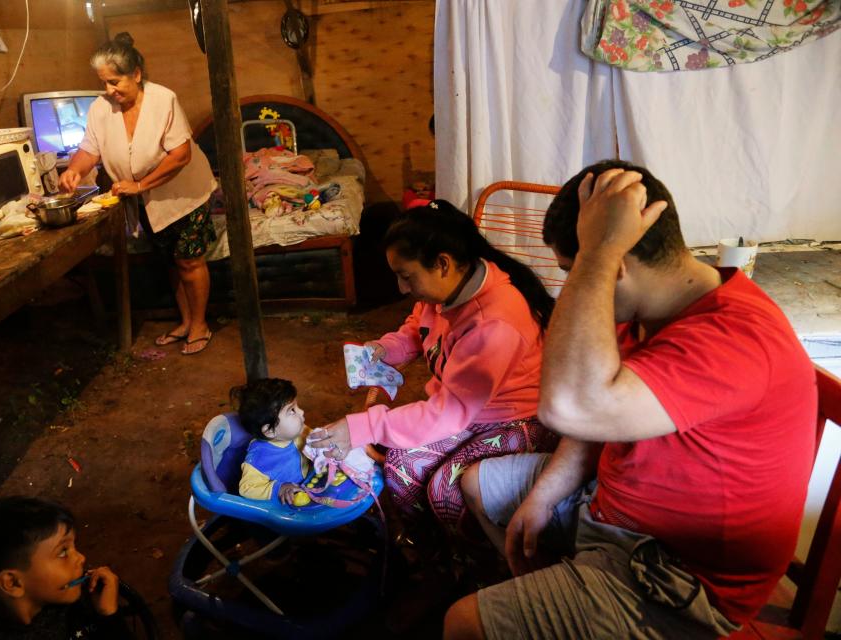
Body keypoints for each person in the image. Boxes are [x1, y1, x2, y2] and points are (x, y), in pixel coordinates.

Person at [444, 160, 817, 639]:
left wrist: (595, 256)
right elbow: (588, 426)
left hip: (678, 573)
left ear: (614, 265)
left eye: (570, 274)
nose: (567, 288)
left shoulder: (732, 338)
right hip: (613, 510)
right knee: (475, 485)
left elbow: (568, 407)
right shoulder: (647, 309)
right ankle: (557, 606)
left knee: (461, 625)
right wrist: (544, 495)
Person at [309, 200, 560, 532]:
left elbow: (447, 413)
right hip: (467, 411)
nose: (401, 288)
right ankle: (438, 546)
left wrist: (359, 427)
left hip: (515, 419)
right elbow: (418, 329)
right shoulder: (443, 294)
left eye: (406, 277)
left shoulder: (495, 323)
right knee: (400, 466)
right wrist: (385, 349)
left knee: (446, 489)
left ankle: (478, 561)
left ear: (442, 264)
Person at [59, 32, 218, 355]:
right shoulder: (100, 109)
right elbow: (89, 149)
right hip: (146, 199)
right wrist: (74, 169)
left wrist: (140, 185)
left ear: (136, 74)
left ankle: (200, 325)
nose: (109, 90)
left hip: (185, 193)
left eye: (115, 82)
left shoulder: (163, 100)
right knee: (171, 261)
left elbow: (180, 155)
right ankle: (186, 321)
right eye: (104, 83)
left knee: (189, 260)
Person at [0, 496, 133, 639]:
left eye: (73, 547)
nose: (81, 558)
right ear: (13, 583)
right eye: (62, 552)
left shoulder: (81, 601)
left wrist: (108, 614)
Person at [234, 378, 312, 505]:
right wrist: (279, 488)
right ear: (270, 431)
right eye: (292, 410)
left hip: (309, 483)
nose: (301, 412)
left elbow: (314, 439)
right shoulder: (259, 458)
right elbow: (246, 489)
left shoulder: (298, 430)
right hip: (286, 506)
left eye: (297, 407)